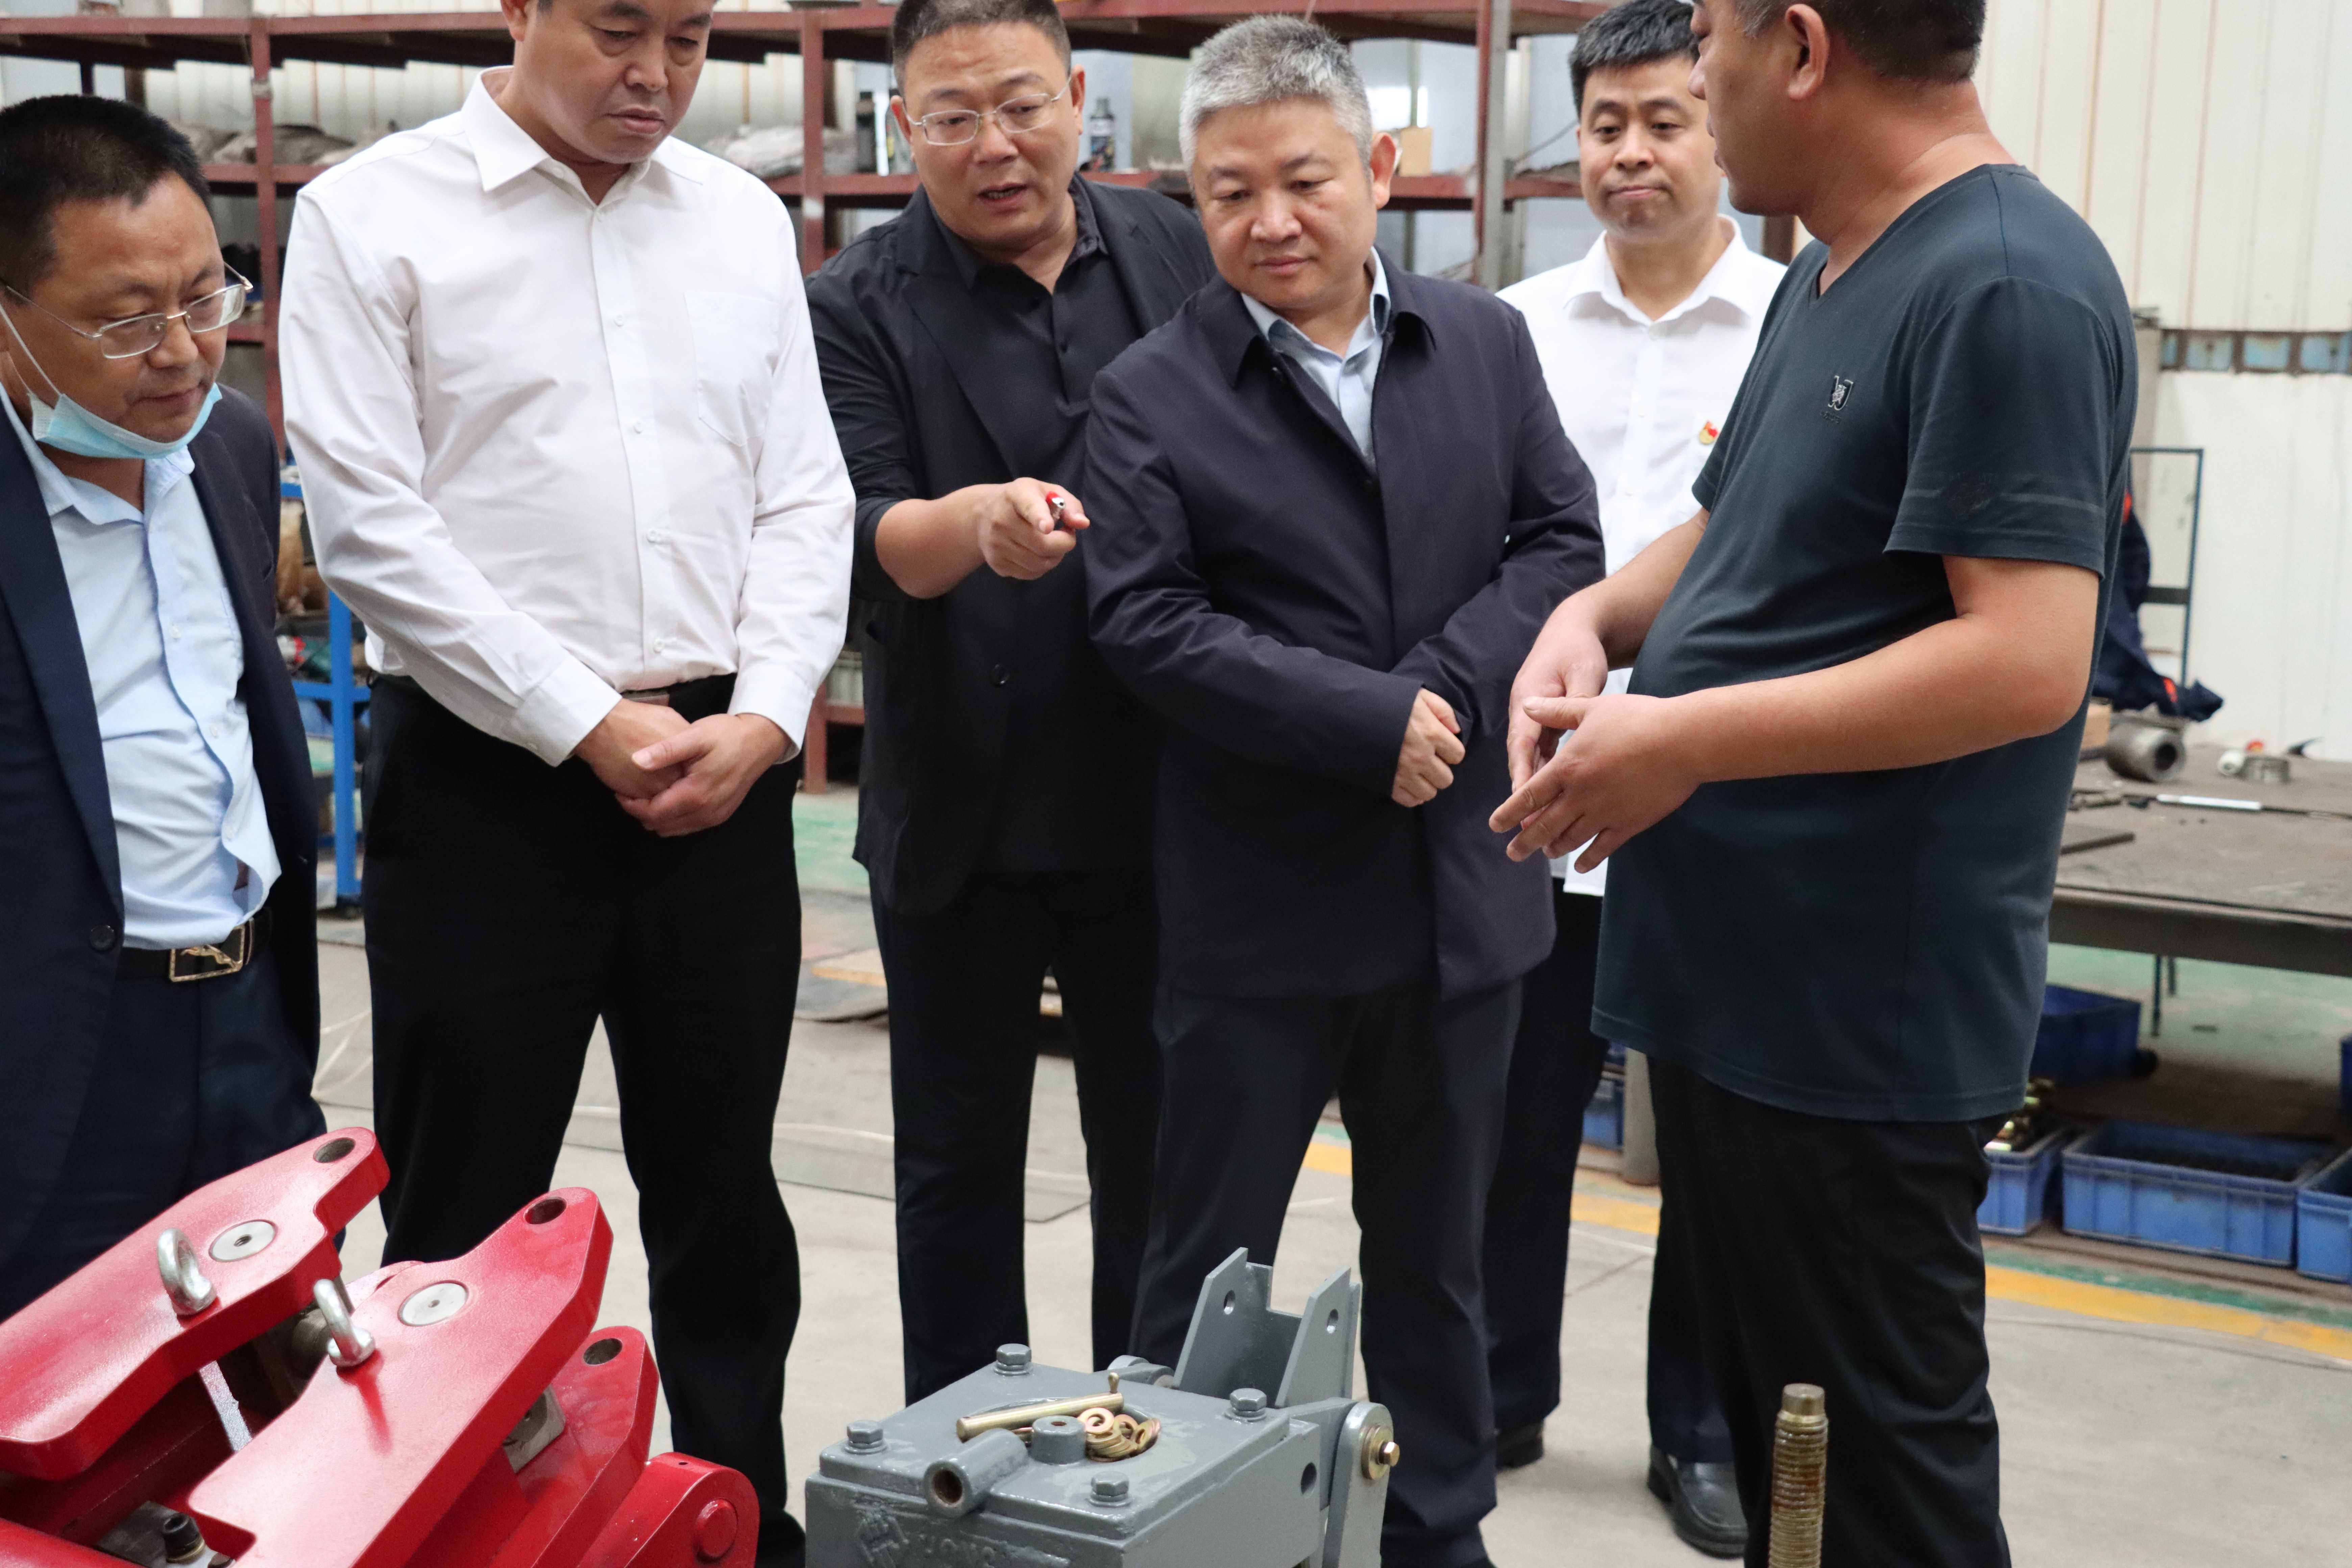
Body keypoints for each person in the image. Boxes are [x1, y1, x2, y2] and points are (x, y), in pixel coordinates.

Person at [1492, 2, 2134, 1563]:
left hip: (1856, 1021)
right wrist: (1592, 619)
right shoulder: (1837, 270)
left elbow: (2027, 659)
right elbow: (1739, 525)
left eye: (1710, 37)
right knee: (1798, 1461)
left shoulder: (2004, 284)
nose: (1697, 79)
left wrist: (1684, 736)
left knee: (1885, 1480)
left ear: (1799, 45)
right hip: (1743, 992)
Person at [278, 0, 854, 1557]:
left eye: (692, 35)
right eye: (616, 29)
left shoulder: (740, 220)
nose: (656, 74)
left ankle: (738, 1518)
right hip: (487, 783)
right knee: (461, 1213)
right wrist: (581, 715)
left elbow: (805, 493)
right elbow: (371, 524)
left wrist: (773, 712)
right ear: (521, 11)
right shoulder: (371, 216)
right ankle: (439, 1527)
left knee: (724, 1198)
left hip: (720, 775)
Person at [1084, 20, 1603, 1566]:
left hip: (1460, 896)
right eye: (1229, 192)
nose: (1271, 221)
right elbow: (1143, 619)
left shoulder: (1483, 343)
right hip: (1261, 913)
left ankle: (1440, 1532)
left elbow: (1561, 542)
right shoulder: (1151, 393)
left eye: (1305, 180)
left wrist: (1438, 688)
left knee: (1439, 1262)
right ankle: (1173, 1533)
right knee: (1206, 1270)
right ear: (1192, 197)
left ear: (1379, 169)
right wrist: (1359, 718)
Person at [805, 0, 1214, 1406]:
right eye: (955, 117)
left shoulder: (1174, 248)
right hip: (961, 810)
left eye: (1025, 105)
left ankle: (1154, 1447)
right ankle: (962, 1461)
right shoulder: (856, 300)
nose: (997, 144)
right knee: (957, 1168)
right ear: (902, 127)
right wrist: (975, 525)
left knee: (1161, 1161)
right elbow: (869, 532)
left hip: (1157, 798)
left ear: (1080, 98)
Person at [1481, 0, 1780, 1554]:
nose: (1632, 151)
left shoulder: (1801, 324)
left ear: (1720, 124)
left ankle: (1704, 1427)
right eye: (1606, 124)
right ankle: (1496, 1386)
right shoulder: (1510, 326)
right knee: (1508, 1115)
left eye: (1666, 119)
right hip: (1540, 795)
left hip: (1724, 793)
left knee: (1719, 1142)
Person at [0, 98, 324, 1317]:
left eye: (206, 296)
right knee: (59, 1397)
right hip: (54, 1065)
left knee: (280, 1379)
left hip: (248, 1029)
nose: (186, 352)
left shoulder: (228, 449)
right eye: (129, 320)